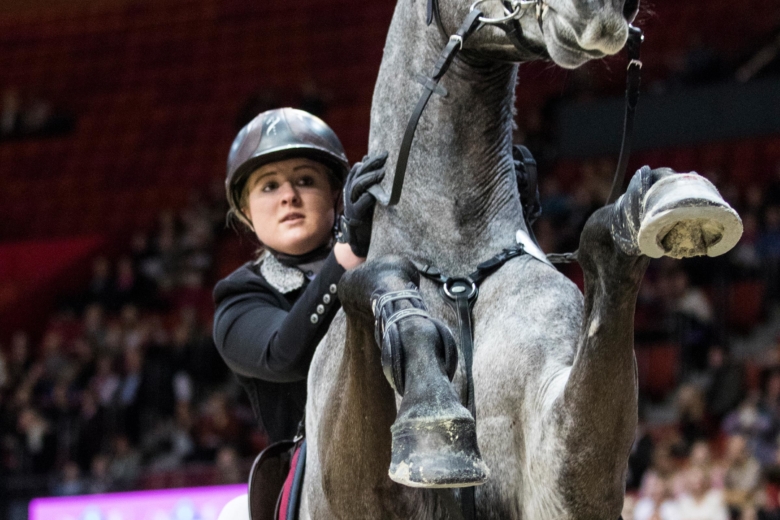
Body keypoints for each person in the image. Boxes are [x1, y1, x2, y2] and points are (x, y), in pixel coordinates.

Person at [212, 107, 387, 443]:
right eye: (269, 186)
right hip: (312, 480)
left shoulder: (388, 257)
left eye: (305, 181)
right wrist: (348, 254)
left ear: (335, 195)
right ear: (246, 212)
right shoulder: (238, 297)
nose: (288, 196)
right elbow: (283, 356)